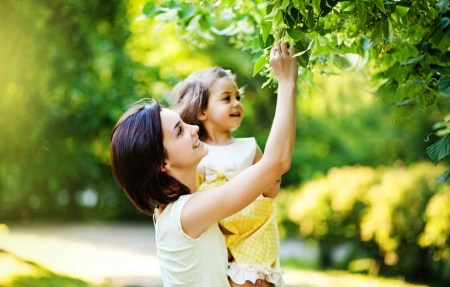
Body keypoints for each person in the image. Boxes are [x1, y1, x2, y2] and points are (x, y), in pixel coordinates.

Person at [110, 42, 297, 287]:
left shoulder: (174, 210)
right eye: (179, 130)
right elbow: (277, 162)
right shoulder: (187, 213)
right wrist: (286, 83)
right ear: (162, 162)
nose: (194, 128)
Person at [171, 66, 285, 286]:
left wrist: (273, 179)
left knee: (251, 281)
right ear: (201, 111)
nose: (237, 104)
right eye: (226, 98)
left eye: (237, 97)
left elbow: (270, 192)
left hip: (253, 233)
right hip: (216, 234)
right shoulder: (196, 152)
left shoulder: (249, 147)